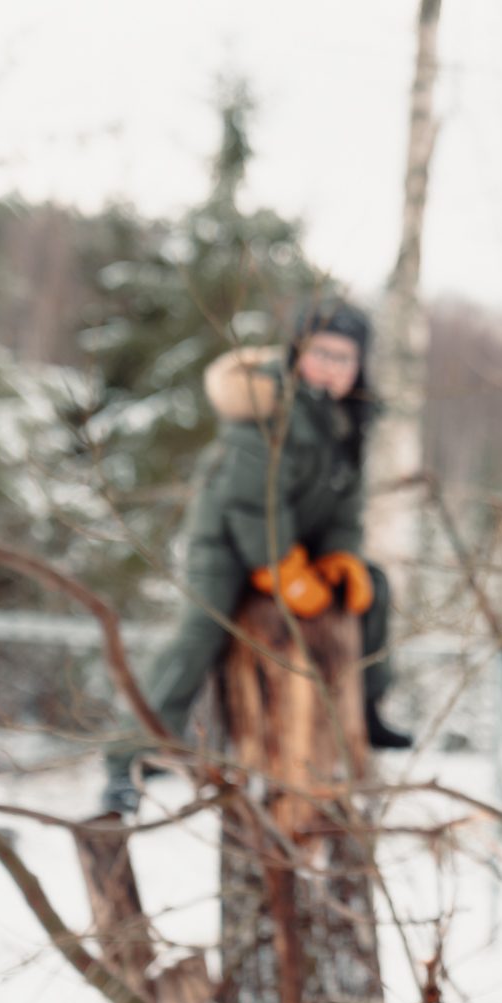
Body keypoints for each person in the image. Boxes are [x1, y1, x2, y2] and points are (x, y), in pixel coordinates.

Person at [99, 296, 410, 815]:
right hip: (227, 542)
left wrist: (338, 557)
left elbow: (346, 502)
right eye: (322, 353)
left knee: (372, 590)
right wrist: (280, 567)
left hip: (301, 545)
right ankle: (129, 760)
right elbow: (251, 499)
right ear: (297, 351)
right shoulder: (267, 403)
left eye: (344, 358)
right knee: (201, 632)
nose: (332, 368)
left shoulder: (347, 419)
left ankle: (369, 705)